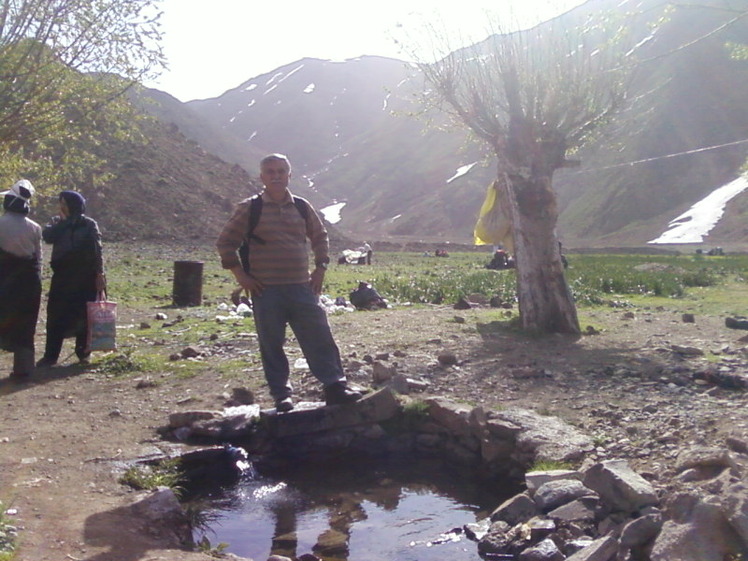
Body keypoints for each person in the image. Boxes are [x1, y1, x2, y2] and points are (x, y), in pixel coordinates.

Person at [216, 153, 361, 412]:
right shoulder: (251, 208)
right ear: (261, 177)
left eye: (281, 171)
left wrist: (321, 268)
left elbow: (320, 236)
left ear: (289, 175)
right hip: (265, 290)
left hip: (301, 287)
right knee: (272, 344)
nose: (276, 176)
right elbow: (226, 242)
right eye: (270, 171)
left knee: (319, 337)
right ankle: (281, 396)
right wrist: (242, 277)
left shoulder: (302, 207)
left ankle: (335, 387)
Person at [36, 191, 105, 367]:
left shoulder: (89, 224)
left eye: (65, 204)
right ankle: (51, 356)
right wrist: (63, 223)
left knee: (84, 314)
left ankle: (83, 352)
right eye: (61, 204)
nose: (62, 207)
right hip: (63, 277)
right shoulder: (57, 223)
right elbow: (47, 236)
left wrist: (100, 274)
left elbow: (97, 250)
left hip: (85, 278)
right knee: (56, 315)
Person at [0, 180, 42, 379]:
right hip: (28, 283)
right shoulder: (35, 228)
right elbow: (38, 258)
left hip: (4, 280)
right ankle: (23, 370)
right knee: (25, 325)